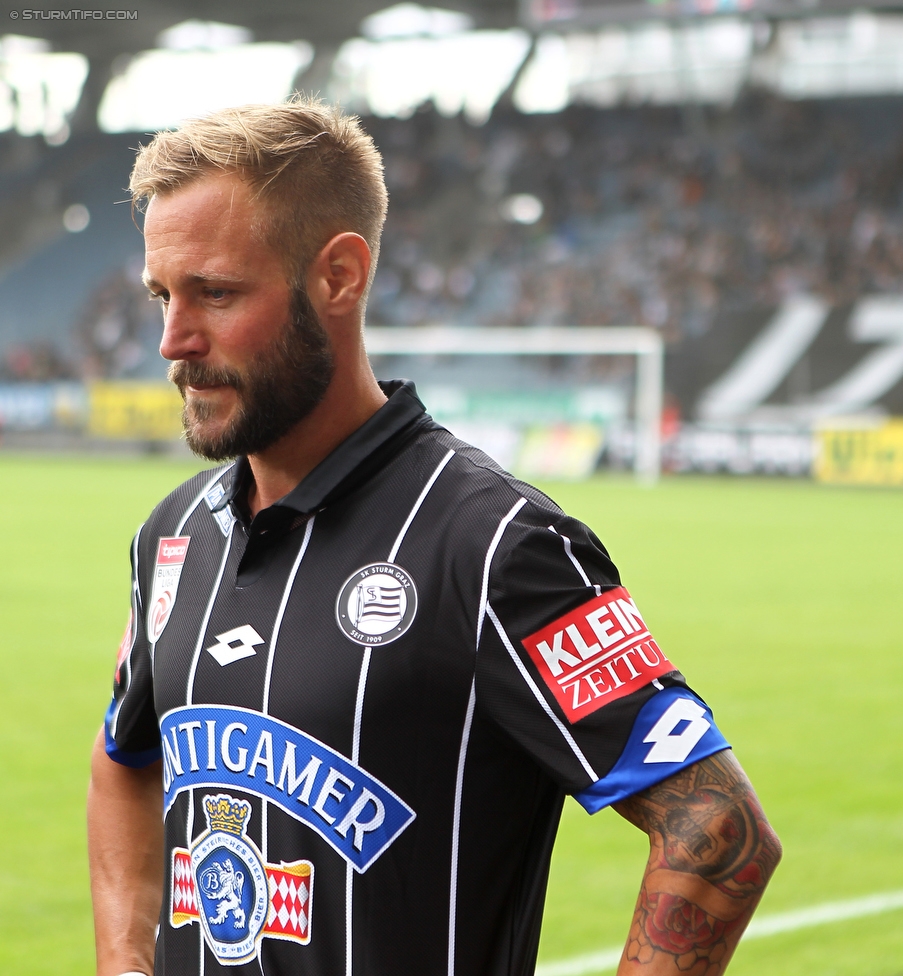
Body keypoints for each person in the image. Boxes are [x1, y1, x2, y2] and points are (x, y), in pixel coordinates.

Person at [88, 98, 780, 976]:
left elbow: (717, 828)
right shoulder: (174, 537)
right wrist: (123, 961)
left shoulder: (495, 545)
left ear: (339, 276)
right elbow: (122, 756)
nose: (173, 340)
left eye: (216, 294)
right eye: (162, 295)